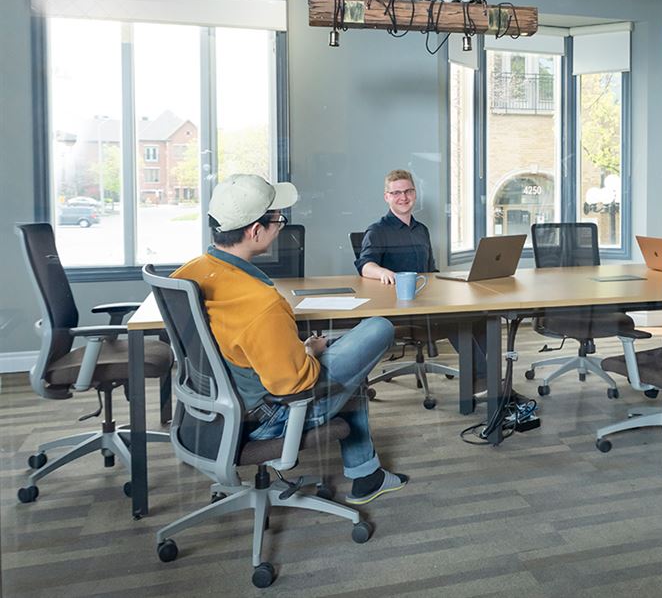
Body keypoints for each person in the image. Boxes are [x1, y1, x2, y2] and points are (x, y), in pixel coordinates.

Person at [172, 173, 408, 506]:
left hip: (212, 408)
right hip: (269, 417)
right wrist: (308, 352)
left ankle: (367, 475)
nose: (280, 227)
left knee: (347, 351)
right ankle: (366, 475)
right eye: (277, 220)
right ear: (255, 231)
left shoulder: (189, 273)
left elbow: (235, 344)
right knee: (378, 328)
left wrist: (300, 349)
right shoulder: (262, 303)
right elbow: (294, 385)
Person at [355, 169, 486, 376]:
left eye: (408, 191)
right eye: (396, 193)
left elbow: (430, 271)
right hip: (399, 310)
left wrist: (454, 284)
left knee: (482, 316)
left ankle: (483, 379)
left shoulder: (421, 230)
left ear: (415, 194)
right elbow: (365, 266)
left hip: (427, 303)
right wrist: (383, 273)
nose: (403, 197)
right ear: (387, 197)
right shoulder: (377, 231)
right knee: (456, 320)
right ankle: (486, 381)